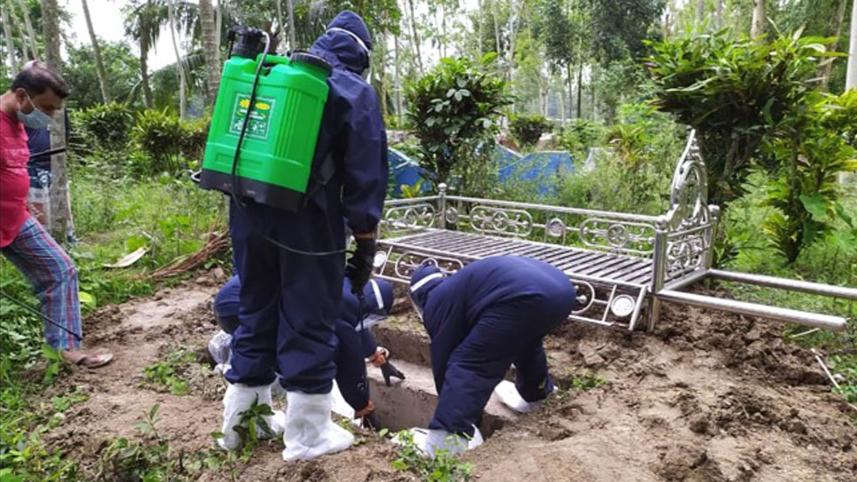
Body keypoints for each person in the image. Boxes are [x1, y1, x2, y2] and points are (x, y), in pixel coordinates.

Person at [221, 11, 388, 462]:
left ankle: (240, 425)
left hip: (247, 212)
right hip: (308, 222)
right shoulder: (354, 90)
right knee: (310, 317)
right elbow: (364, 176)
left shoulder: (272, 74)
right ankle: (309, 436)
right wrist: (365, 240)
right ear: (362, 54)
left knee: (256, 308)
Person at [402, 256, 577, 457]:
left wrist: (458, 415)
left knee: (468, 364)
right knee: (526, 343)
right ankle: (537, 394)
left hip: (524, 297)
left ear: (418, 299)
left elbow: (446, 360)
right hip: (563, 292)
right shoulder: (457, 287)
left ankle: (445, 442)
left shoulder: (436, 303)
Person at [0, 62, 112, 368]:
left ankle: (66, 348)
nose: (49, 116)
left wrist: (22, 203)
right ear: (22, 96)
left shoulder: (19, 125)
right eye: (47, 108)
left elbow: (11, 169)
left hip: (15, 218)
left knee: (61, 269)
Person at [209, 275, 404, 433]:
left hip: (235, 296)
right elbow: (350, 365)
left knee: (277, 349)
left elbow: (354, 326)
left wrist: (374, 355)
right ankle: (255, 423)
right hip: (240, 307)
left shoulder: (348, 289)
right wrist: (363, 406)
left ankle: (248, 419)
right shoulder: (347, 304)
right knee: (285, 358)